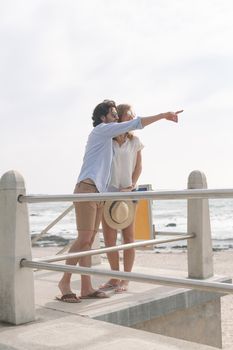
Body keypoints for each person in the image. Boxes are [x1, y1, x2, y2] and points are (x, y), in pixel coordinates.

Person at [57, 99, 183, 303]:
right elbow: (136, 123)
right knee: (83, 240)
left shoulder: (110, 139)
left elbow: (129, 142)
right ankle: (64, 282)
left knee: (88, 242)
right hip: (86, 190)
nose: (117, 118)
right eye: (113, 114)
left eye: (117, 115)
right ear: (103, 118)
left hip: (99, 193)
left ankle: (87, 287)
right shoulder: (102, 130)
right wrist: (163, 115)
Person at [99, 104, 143, 293]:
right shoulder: (107, 140)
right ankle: (115, 277)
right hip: (109, 195)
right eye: (129, 116)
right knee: (109, 240)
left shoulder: (135, 142)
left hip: (128, 195)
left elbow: (138, 167)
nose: (133, 120)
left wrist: (131, 186)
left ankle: (126, 279)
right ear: (120, 119)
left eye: (134, 117)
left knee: (128, 239)